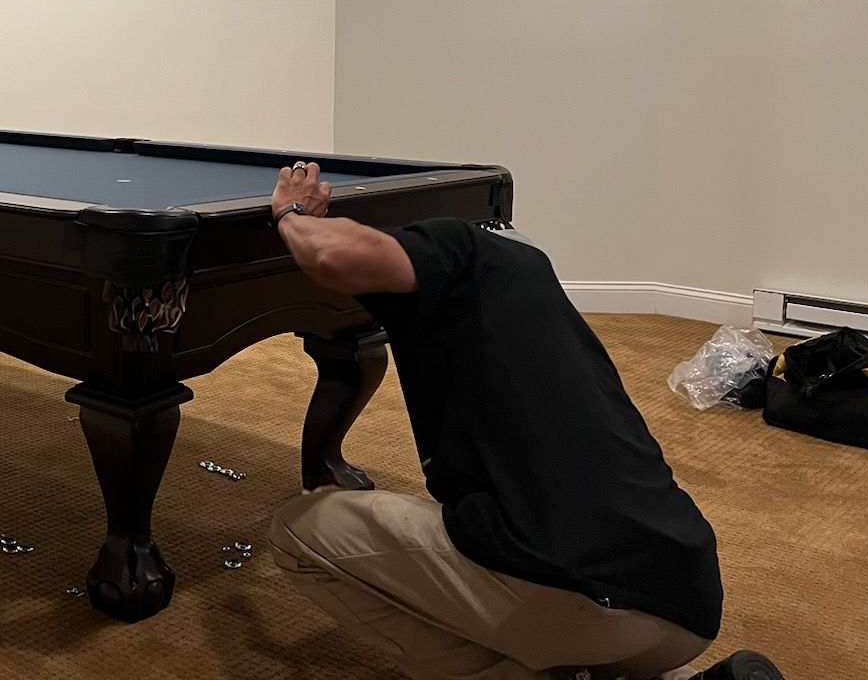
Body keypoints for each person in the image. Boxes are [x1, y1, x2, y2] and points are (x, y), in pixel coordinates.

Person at [265, 161, 785, 680]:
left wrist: (292, 214)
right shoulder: (536, 288)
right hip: (689, 601)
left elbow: (335, 254)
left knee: (301, 531)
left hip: (589, 599)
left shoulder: (459, 249)